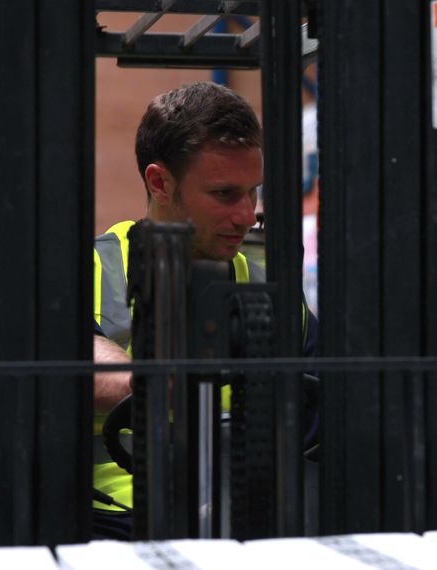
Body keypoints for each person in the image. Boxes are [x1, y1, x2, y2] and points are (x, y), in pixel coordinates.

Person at [91, 82, 315, 539]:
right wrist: (149, 383)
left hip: (243, 522)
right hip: (114, 522)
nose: (248, 214)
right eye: (225, 194)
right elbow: (72, 360)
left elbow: (321, 403)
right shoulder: (94, 266)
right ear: (160, 182)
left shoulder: (269, 288)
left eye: (253, 192)